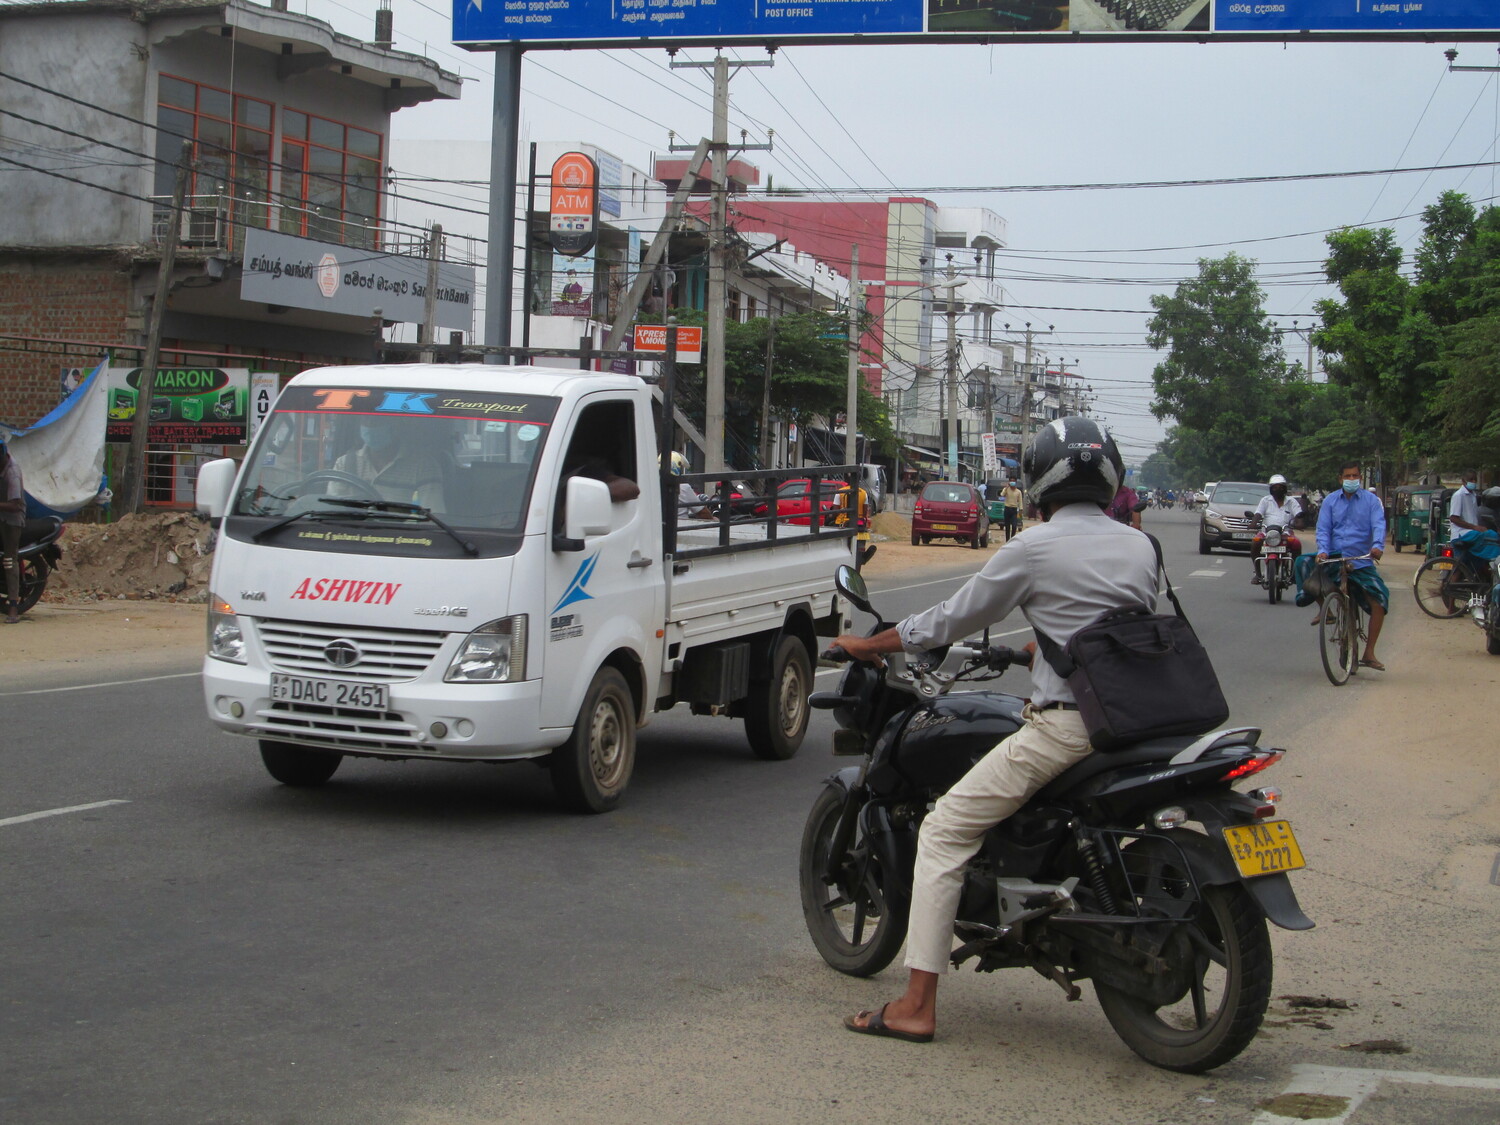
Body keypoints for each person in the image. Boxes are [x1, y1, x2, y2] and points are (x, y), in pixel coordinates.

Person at [834, 417, 1159, 1044]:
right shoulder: (1140, 546)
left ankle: (916, 1006)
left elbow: (950, 619)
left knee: (944, 830)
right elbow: (1116, 627)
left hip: (1068, 729)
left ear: (1039, 479)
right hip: (1135, 723)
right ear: (1109, 476)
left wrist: (871, 644)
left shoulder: (1032, 549)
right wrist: (1044, 646)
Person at [1298, 461, 1388, 670]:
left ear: (1360, 478)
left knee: (1380, 600)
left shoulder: (1371, 501)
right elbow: (1323, 529)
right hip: (1334, 557)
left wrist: (1377, 547)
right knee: (1302, 563)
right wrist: (1322, 551)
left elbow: (1378, 524)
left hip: (1361, 560)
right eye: (1348, 476)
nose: (1352, 479)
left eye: (1355, 476)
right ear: (1340, 479)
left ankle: (1369, 652)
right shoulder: (1330, 501)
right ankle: (1325, 609)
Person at [331, 418, 445, 509]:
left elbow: (433, 516)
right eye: (366, 420)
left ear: (396, 426)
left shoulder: (424, 466)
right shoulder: (344, 463)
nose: (370, 426)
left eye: (377, 421)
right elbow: (332, 510)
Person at [1249, 473, 1302, 586]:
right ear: (1271, 489)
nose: (1277, 489)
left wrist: (1299, 522)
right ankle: (1258, 574)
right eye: (1275, 487)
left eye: (1280, 487)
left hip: (1285, 533)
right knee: (1255, 542)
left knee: (1297, 544)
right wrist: (1253, 523)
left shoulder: (1291, 501)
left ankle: (1294, 574)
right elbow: (1258, 514)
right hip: (1266, 533)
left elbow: (1298, 515)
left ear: (1285, 488)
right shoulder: (1265, 500)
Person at [1446, 471, 1500, 569]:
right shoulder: (1459, 495)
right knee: (1493, 537)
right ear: (1463, 481)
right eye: (1471, 479)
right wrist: (1475, 527)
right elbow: (1453, 518)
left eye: (1475, 479)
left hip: (1472, 533)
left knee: (1472, 566)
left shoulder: (1473, 495)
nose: (1474, 481)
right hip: (1462, 534)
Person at [0, 438, 24, 623]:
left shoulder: (12, 472)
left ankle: (13, 606)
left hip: (12, 519)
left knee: (9, 559)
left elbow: (15, 505)